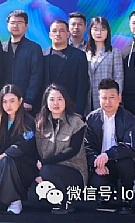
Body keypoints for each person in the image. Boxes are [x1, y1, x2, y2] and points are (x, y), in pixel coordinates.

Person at [84, 78, 135, 214]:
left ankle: (127, 199)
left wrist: (108, 155)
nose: (108, 102)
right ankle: (108, 192)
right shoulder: (91, 118)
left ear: (119, 98)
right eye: (104, 98)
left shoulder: (129, 118)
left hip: (120, 160)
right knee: (97, 182)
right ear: (99, 98)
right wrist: (96, 163)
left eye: (112, 97)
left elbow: (131, 146)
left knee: (127, 164)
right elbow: (87, 146)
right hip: (101, 163)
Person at [35, 84, 88, 214]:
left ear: (66, 101)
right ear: (46, 102)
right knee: (33, 195)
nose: (56, 103)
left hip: (73, 172)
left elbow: (73, 150)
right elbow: (32, 149)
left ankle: (65, 203)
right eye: (52, 99)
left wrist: (45, 163)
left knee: (47, 171)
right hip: (47, 171)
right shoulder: (39, 124)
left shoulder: (76, 123)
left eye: (60, 99)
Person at [0, 84, 38, 215]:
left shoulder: (29, 122)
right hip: (2, 167)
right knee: (4, 163)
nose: (8, 105)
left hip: (24, 167)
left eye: (12, 101)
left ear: (20, 101)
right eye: (4, 102)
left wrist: (0, 157)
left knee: (8, 160)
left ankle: (15, 200)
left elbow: (22, 146)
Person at [43, 20, 90, 116]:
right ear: (50, 35)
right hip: (47, 110)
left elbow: (83, 85)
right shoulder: (43, 55)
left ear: (68, 34)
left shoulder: (79, 55)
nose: (58, 34)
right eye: (54, 31)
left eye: (62, 31)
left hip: (71, 110)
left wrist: (79, 111)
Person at [2, 10, 44, 113]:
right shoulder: (2, 48)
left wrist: (29, 99)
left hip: (25, 102)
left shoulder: (34, 48)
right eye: (12, 23)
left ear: (26, 26)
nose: (15, 26)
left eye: (19, 23)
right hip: (4, 102)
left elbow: (36, 76)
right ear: (7, 25)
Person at [85, 17, 124, 112]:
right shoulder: (84, 53)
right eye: (95, 29)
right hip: (88, 99)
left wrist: (117, 96)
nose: (99, 33)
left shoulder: (114, 52)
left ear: (108, 32)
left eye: (103, 29)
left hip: (107, 99)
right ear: (90, 31)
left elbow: (119, 77)